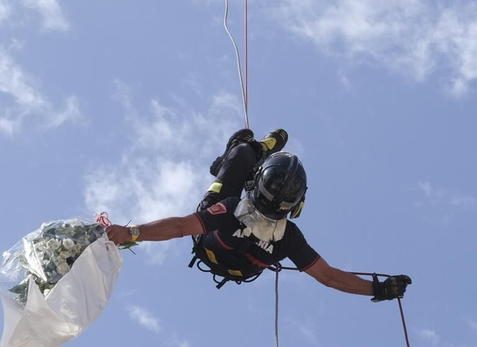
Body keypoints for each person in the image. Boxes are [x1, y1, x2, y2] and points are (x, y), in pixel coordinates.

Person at [104, 128, 412, 301]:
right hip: (240, 267)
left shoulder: (228, 209)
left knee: (240, 153)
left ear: (255, 186)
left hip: (211, 243)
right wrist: (380, 289)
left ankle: (252, 150)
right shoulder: (289, 238)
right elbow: (329, 277)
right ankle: (253, 153)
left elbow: (180, 227)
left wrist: (131, 233)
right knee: (235, 172)